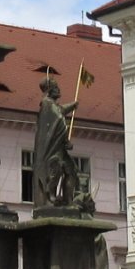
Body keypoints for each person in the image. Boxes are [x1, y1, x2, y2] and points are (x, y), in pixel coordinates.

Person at [32, 77, 80, 209]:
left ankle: (68, 201)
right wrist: (65, 140)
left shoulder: (52, 104)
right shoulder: (46, 103)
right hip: (52, 150)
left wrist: (73, 105)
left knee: (71, 170)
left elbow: (60, 110)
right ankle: (50, 196)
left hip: (59, 148)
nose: (59, 90)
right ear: (49, 90)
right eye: (56, 87)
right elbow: (58, 119)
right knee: (55, 171)